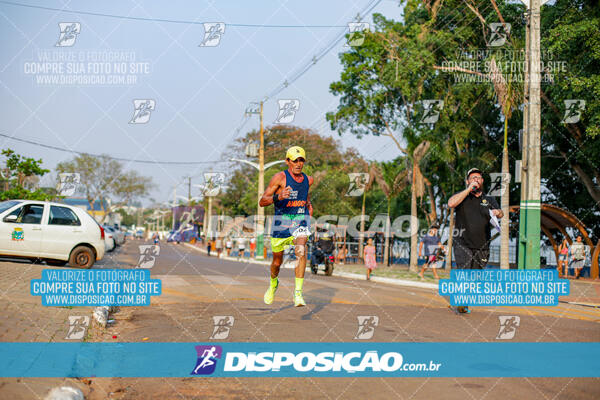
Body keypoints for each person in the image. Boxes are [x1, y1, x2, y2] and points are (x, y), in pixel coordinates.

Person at [259, 146, 313, 307]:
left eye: (301, 160)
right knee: (277, 262)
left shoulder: (309, 180)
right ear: (287, 161)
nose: (298, 163)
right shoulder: (279, 178)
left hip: (299, 221)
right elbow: (262, 201)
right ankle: (273, 283)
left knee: (301, 250)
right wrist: (279, 196)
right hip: (281, 224)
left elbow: (306, 196)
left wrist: (309, 206)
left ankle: (298, 294)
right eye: (295, 160)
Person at [447, 168, 503, 314]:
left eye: (478, 178)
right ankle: (461, 301)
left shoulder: (489, 199)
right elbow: (451, 203)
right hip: (462, 243)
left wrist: (498, 212)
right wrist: (467, 190)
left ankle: (465, 300)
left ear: (482, 181)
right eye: (472, 178)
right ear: (467, 181)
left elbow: (501, 213)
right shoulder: (462, 197)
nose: (475, 180)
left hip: (482, 245)